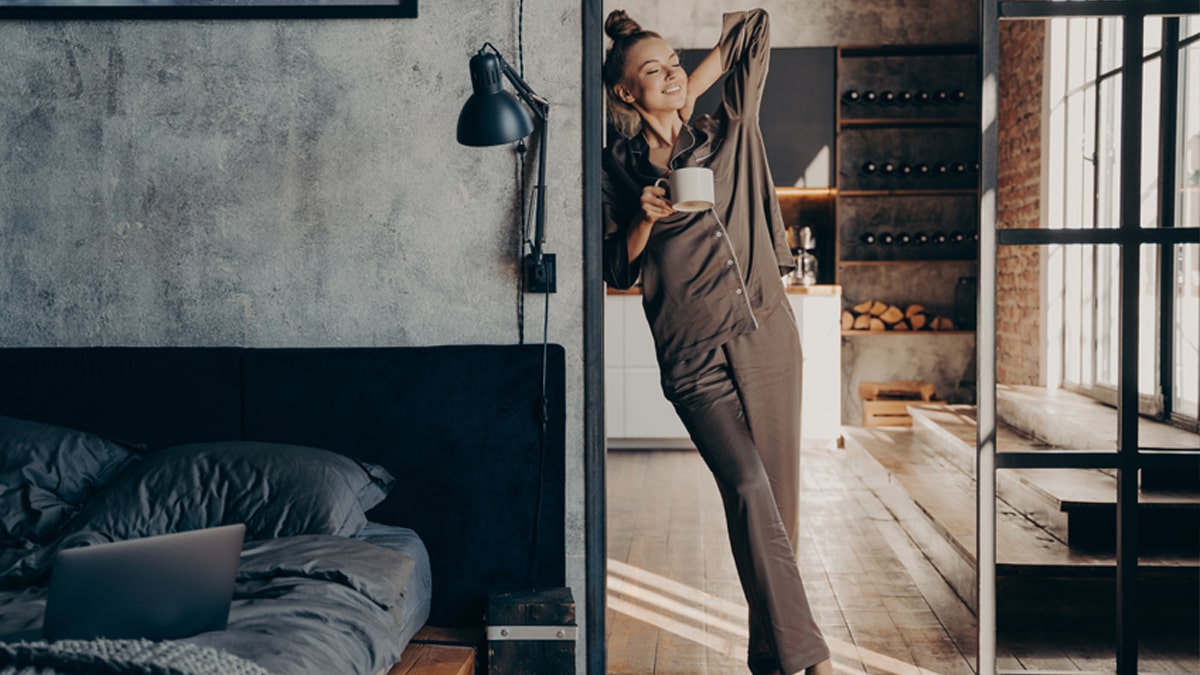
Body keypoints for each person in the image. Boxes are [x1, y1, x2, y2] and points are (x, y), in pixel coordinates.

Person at [601, 8, 834, 675]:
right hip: (691, 351)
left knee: (776, 505)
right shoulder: (617, 168)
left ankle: (774, 655)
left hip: (765, 331)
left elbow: (754, 31)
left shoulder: (725, 130)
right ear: (624, 93)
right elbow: (618, 268)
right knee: (748, 483)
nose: (671, 75)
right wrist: (644, 220)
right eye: (653, 71)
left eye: (675, 63)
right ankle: (811, 658)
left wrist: (682, 83)